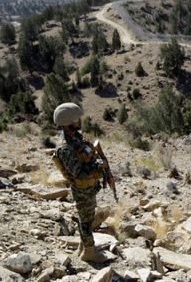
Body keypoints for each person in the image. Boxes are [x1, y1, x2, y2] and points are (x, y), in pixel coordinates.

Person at [52, 102, 112, 263]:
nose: (80, 121)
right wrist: (99, 165)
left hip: (89, 188)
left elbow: (86, 156)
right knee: (85, 220)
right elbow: (79, 173)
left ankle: (83, 245)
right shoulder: (65, 148)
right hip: (82, 189)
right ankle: (89, 252)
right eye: (77, 118)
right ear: (68, 122)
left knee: (87, 217)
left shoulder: (75, 138)